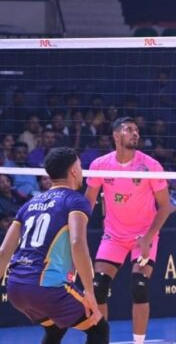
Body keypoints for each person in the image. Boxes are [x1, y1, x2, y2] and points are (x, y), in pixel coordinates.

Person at [0, 147, 109, 343]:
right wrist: (89, 292)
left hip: (16, 288)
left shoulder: (29, 204)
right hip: (46, 288)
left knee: (55, 329)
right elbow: (77, 242)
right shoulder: (75, 201)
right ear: (74, 170)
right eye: (80, 166)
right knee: (99, 329)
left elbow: (3, 253)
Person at [85, 117, 171, 344]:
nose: (135, 134)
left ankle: (138, 343)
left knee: (139, 286)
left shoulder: (150, 166)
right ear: (116, 135)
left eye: (137, 131)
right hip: (113, 235)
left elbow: (165, 207)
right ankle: (100, 340)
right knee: (98, 286)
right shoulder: (100, 165)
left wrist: (148, 238)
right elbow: (88, 202)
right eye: (129, 129)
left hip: (144, 235)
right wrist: (75, 230)